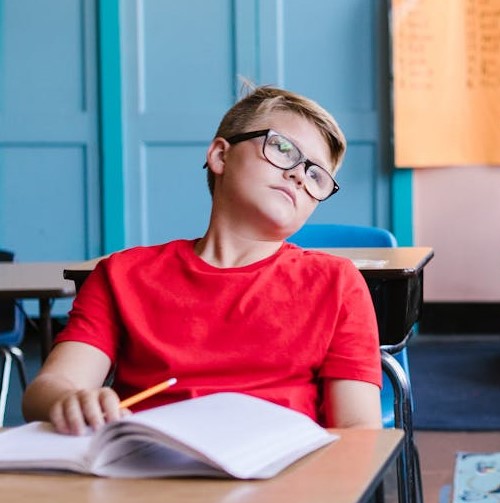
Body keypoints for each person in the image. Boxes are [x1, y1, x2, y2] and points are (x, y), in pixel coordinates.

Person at [23, 85, 382, 436]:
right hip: (145, 478)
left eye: (317, 175)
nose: (299, 175)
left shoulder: (336, 283)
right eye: (282, 149)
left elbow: (356, 428)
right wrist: (72, 400)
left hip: (280, 481)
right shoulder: (122, 275)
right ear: (220, 156)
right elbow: (51, 386)